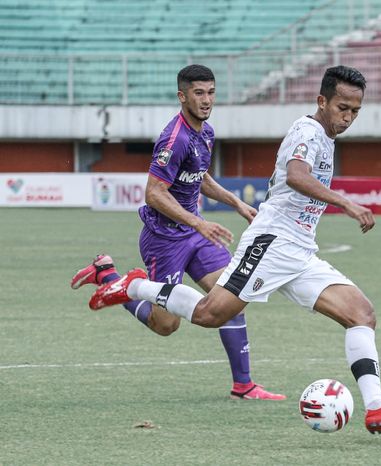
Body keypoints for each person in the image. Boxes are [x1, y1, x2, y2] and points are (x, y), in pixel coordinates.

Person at [88, 65, 381, 434]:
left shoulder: (324, 137)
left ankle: (377, 407)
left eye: (354, 111)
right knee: (207, 315)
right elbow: (297, 176)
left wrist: (235, 203)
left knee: (361, 314)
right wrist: (346, 204)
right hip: (272, 243)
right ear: (322, 101)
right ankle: (133, 287)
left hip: (299, 250)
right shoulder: (307, 131)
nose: (347, 117)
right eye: (342, 108)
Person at [72, 64, 284, 400]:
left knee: (230, 299)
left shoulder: (206, 132)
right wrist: (198, 221)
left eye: (211, 92)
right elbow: (153, 192)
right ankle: (112, 279)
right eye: (199, 93)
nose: (206, 100)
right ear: (182, 96)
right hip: (164, 240)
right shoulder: (175, 138)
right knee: (166, 325)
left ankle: (243, 385)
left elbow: (200, 176)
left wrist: (236, 204)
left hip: (195, 235)